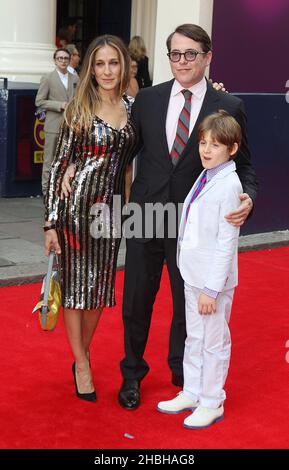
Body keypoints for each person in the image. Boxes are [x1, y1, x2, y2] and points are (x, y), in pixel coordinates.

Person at [117, 23, 258, 411]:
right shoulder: (146, 99)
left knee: (189, 306)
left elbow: (245, 168)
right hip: (145, 215)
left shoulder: (228, 107)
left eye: (191, 54)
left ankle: (185, 377)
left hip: (193, 226)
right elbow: (124, 159)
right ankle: (132, 375)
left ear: (208, 57)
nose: (182, 62)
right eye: (175, 54)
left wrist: (248, 198)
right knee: (136, 303)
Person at [44, 35, 137, 402]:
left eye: (113, 63)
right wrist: (50, 222)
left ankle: (81, 352)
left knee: (99, 290)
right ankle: (82, 363)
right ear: (91, 69)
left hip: (111, 214)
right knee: (74, 287)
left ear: (124, 65)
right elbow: (58, 166)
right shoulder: (77, 108)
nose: (107, 71)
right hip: (75, 210)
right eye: (99, 64)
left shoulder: (134, 107)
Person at [157, 110, 242, 429]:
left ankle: (212, 400)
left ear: (232, 149)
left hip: (211, 282)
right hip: (192, 274)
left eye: (216, 144)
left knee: (213, 340)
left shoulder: (229, 185)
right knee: (194, 336)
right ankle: (191, 390)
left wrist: (211, 288)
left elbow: (225, 243)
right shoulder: (206, 174)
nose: (206, 150)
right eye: (203, 142)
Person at [35, 48, 79, 196]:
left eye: (66, 58)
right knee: (49, 161)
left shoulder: (75, 79)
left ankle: (64, 190)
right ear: (55, 60)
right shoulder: (48, 78)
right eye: (60, 58)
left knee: (69, 159)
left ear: (69, 60)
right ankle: (47, 192)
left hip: (71, 125)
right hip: (53, 125)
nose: (63, 61)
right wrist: (59, 105)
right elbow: (39, 102)